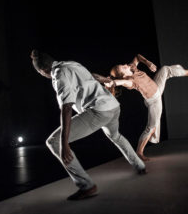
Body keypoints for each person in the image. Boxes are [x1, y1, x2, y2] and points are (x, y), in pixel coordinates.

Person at [30, 49, 146, 201]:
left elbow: (66, 108)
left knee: (54, 141)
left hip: (100, 111)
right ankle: (140, 166)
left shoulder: (59, 75)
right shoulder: (71, 63)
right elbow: (93, 76)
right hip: (113, 106)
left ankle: (86, 186)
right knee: (115, 135)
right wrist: (107, 81)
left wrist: (64, 144)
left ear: (43, 70)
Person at [103, 54, 188, 161]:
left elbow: (137, 57)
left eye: (123, 64)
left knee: (165, 69)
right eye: (124, 67)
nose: (126, 65)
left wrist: (148, 63)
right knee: (151, 127)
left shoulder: (132, 67)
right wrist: (112, 82)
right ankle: (139, 152)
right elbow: (120, 82)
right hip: (154, 101)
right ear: (124, 75)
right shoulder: (129, 82)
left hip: (157, 86)